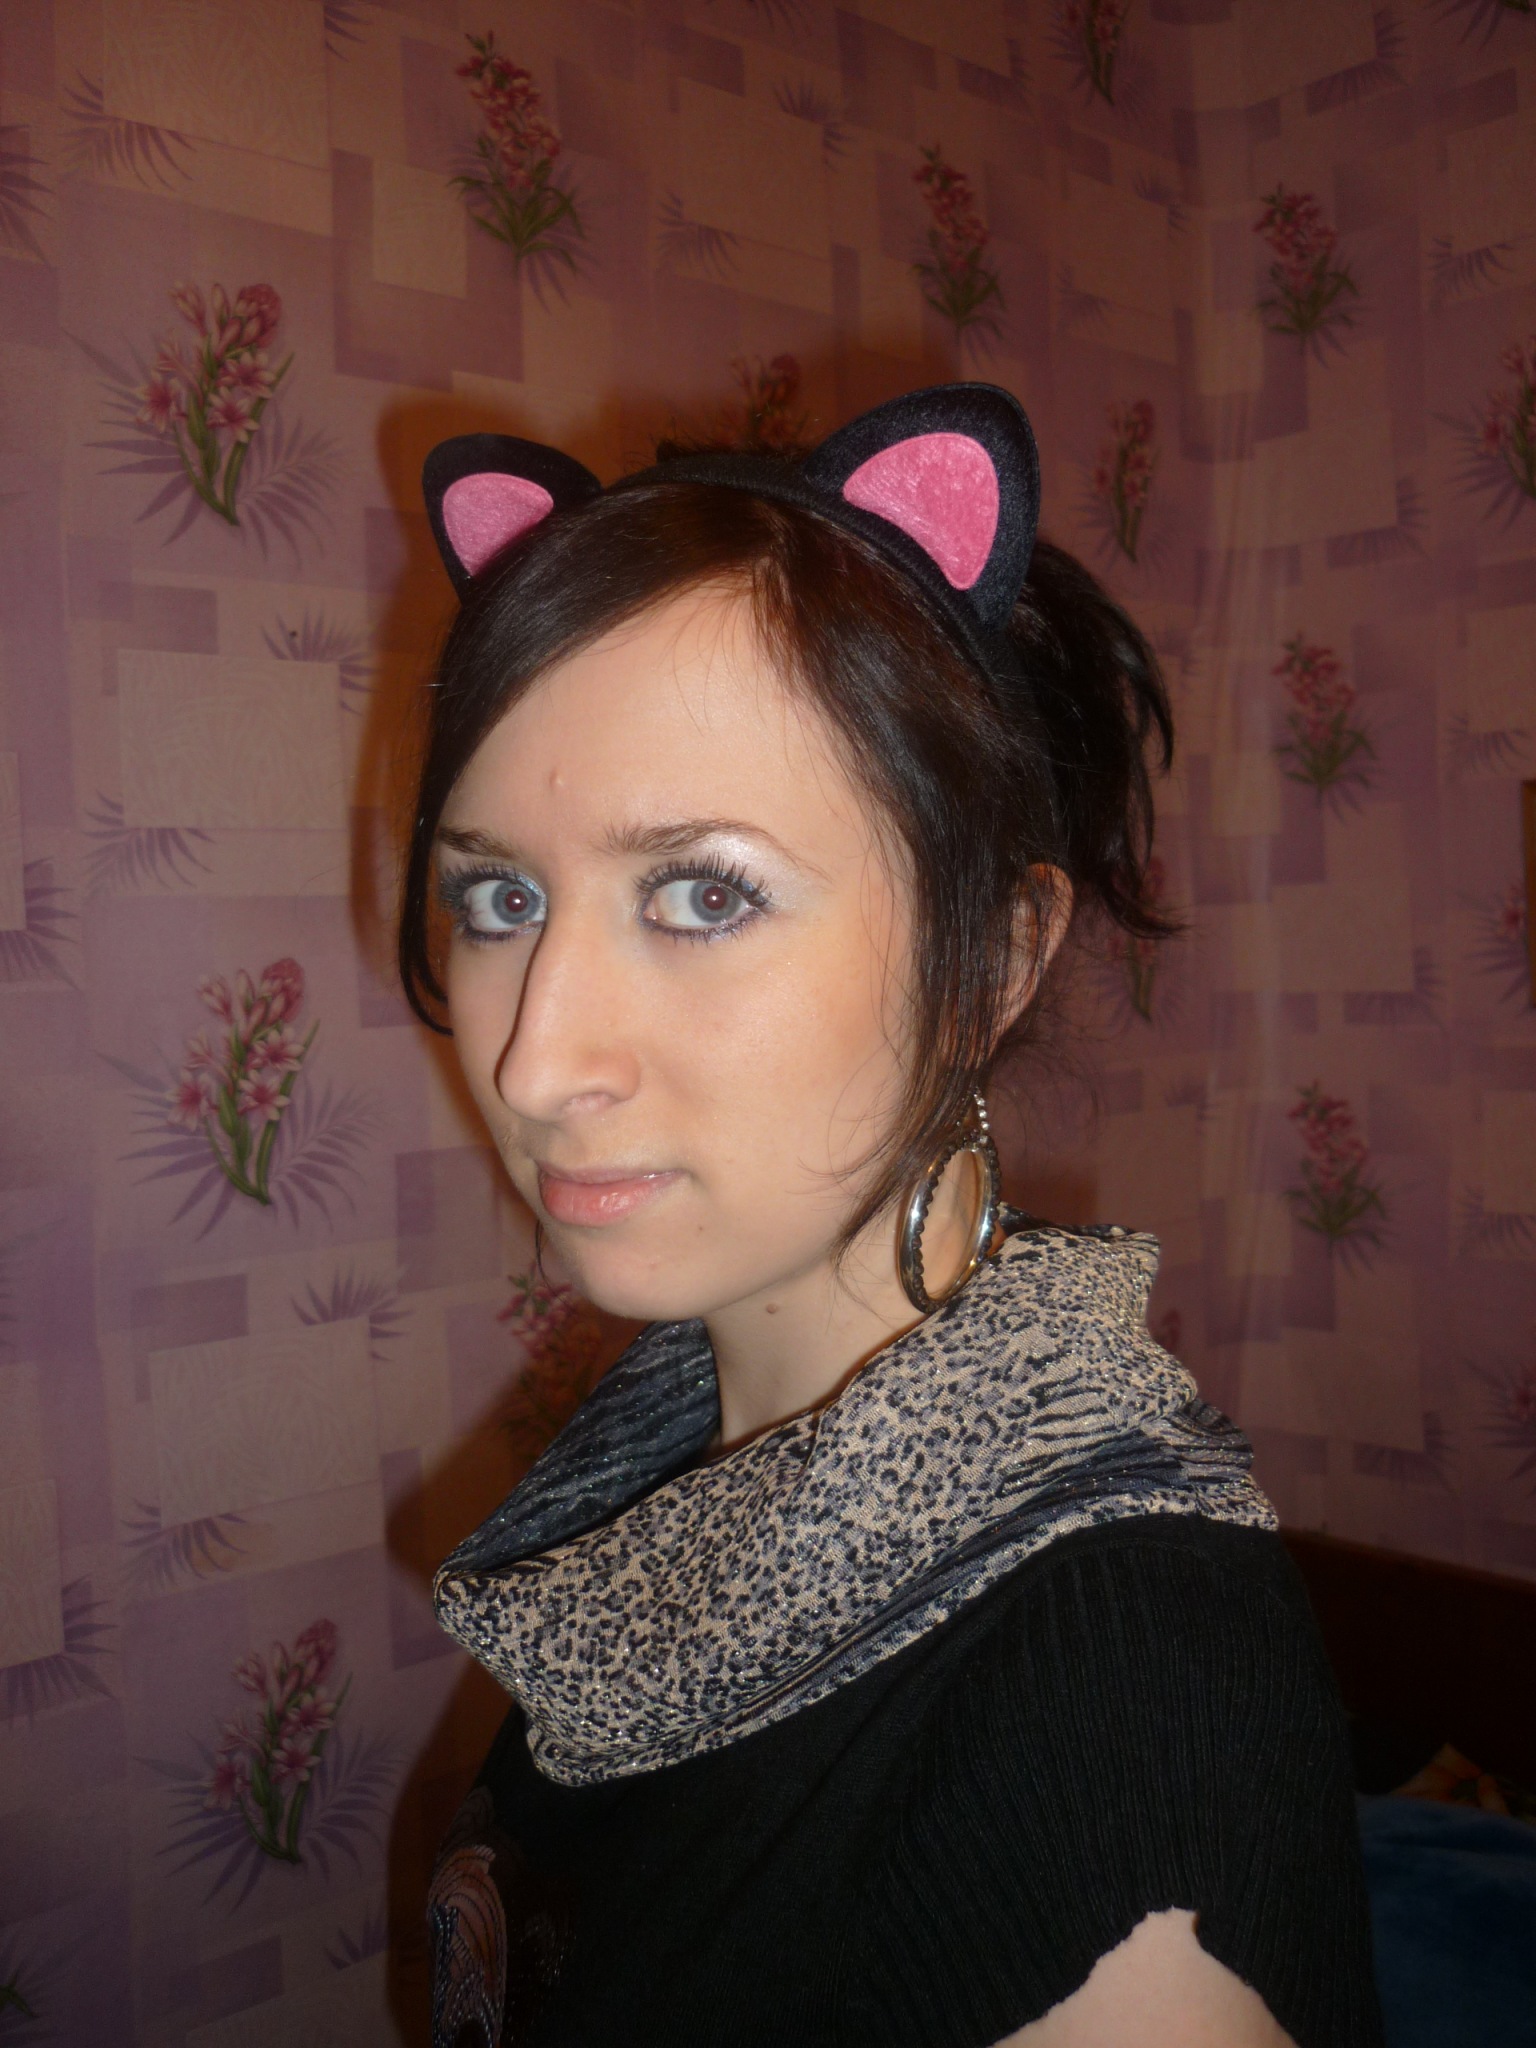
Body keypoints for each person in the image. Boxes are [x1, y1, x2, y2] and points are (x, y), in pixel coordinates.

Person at [401, 385, 1384, 2048]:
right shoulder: (649, 1478)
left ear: (991, 959)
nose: (537, 1060)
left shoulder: (1112, 1685)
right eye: (501, 895)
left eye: (703, 893)